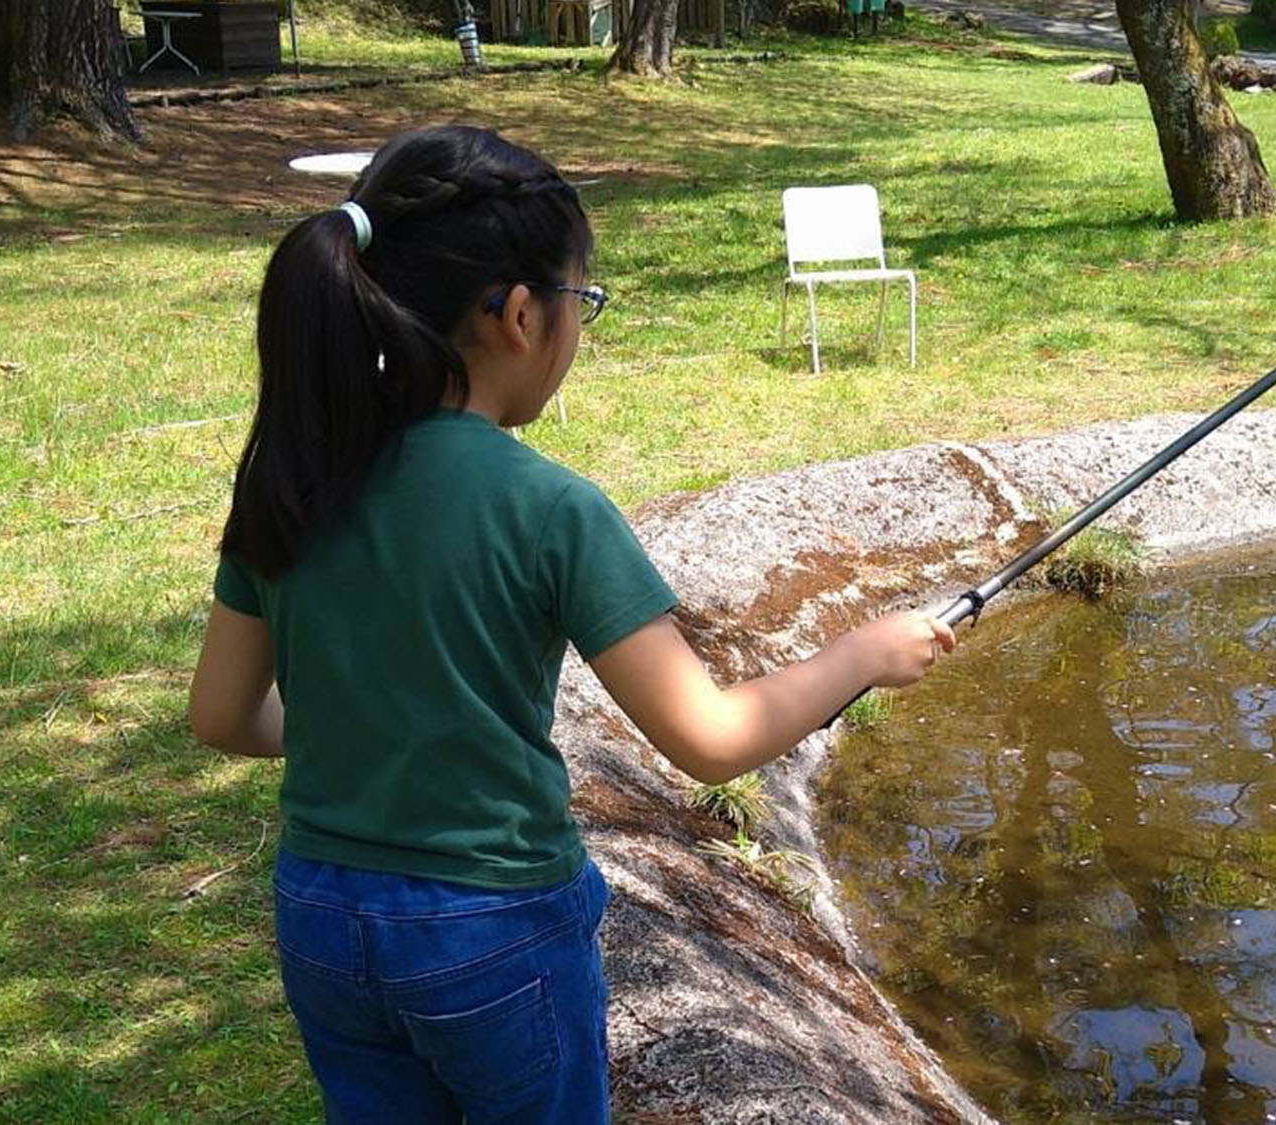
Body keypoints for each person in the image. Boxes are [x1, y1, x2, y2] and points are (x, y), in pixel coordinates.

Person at [186, 125, 955, 1125]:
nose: (576, 328)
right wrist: (864, 653)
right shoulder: (549, 510)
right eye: (578, 302)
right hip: (490, 929)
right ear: (515, 313)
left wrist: (363, 724)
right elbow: (711, 741)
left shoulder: (293, 472)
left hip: (324, 918)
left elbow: (220, 716)